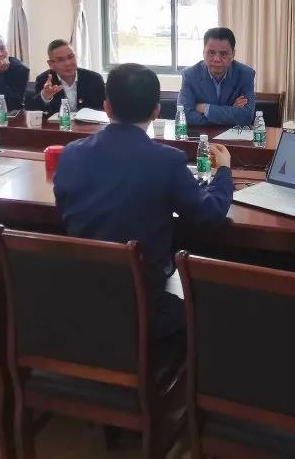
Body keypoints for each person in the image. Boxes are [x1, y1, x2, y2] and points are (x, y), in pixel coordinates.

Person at [54, 63, 234, 341]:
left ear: (107, 108)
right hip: (144, 311)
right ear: (156, 111)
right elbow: (209, 215)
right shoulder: (167, 160)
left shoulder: (70, 154)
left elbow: (64, 206)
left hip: (81, 304)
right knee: (217, 315)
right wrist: (223, 172)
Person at [177, 27, 256, 127]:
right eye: (211, 53)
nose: (217, 59)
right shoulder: (190, 75)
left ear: (233, 54)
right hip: (202, 135)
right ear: (203, 53)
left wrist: (205, 108)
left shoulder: (245, 74)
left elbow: (246, 117)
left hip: (233, 136)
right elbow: (184, 116)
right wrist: (231, 112)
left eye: (223, 54)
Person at [26, 39, 105, 115]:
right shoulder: (44, 81)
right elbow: (35, 112)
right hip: (58, 124)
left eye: (71, 57)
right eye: (60, 60)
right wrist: (45, 96)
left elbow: (104, 111)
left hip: (88, 124)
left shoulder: (94, 79)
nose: (68, 63)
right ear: (51, 64)